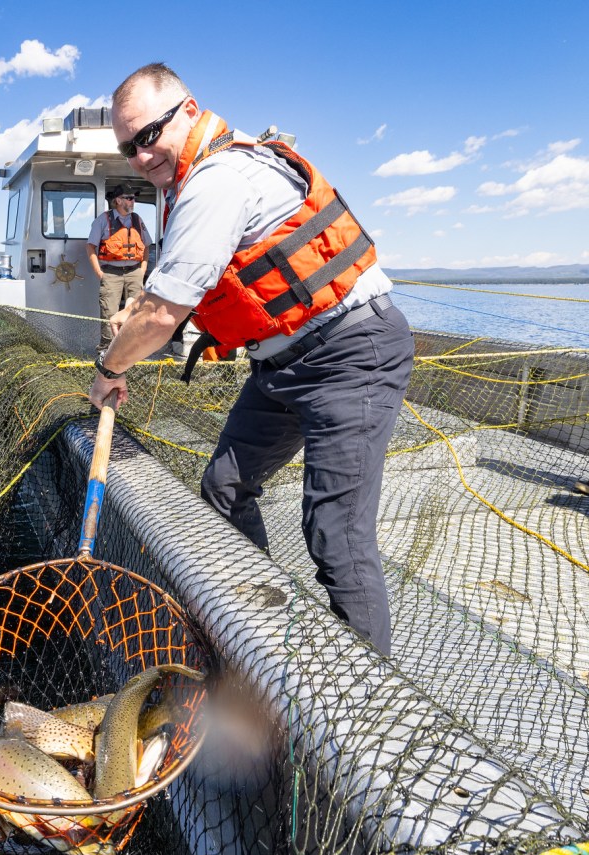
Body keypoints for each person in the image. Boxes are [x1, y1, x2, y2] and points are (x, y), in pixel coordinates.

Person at [89, 62, 414, 656]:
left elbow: (162, 317)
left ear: (189, 111)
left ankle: (369, 699)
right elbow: (175, 292)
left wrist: (110, 369)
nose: (140, 156)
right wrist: (136, 310)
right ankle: (259, 635)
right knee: (225, 489)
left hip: (350, 353)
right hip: (282, 366)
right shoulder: (186, 184)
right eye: (128, 147)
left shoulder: (217, 180)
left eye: (148, 135)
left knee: (336, 534)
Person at [86, 182, 152, 350]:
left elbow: (147, 245)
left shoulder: (137, 220)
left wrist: (143, 269)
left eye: (133, 198)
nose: (132, 201)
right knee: (109, 311)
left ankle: (133, 348)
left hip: (135, 271)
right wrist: (99, 273)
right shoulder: (103, 220)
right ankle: (106, 350)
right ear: (118, 200)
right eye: (129, 198)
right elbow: (90, 247)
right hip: (110, 273)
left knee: (137, 310)